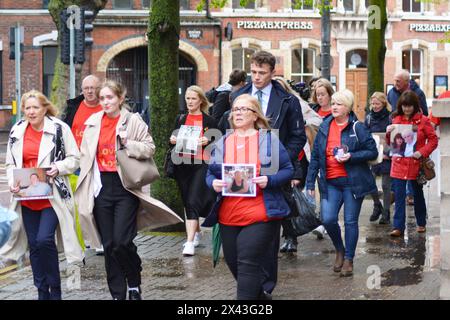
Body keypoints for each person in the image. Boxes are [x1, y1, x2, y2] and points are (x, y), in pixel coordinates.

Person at [75, 80, 182, 300]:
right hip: (101, 187)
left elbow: (150, 147)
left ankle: (134, 279)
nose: (105, 102)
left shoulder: (133, 120)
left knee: (122, 242)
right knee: (109, 244)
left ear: (120, 98)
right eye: (102, 98)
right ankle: (118, 294)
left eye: (110, 97)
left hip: (125, 186)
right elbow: (85, 156)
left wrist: (128, 144)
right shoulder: (93, 122)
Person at [229, 50, 306, 296]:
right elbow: (225, 128)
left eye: (262, 73)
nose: (257, 77)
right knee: (241, 236)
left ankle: (265, 287)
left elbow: (298, 136)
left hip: (273, 173)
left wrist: (280, 157)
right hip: (240, 170)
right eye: (253, 72)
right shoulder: (238, 96)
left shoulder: (287, 100)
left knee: (270, 233)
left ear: (273, 73)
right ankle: (252, 284)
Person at [203, 94, 294, 299]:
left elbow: (288, 170)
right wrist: (213, 183)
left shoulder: (268, 140)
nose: (238, 113)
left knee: (247, 262)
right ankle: (262, 298)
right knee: (237, 265)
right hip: (229, 216)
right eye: (235, 109)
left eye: (244, 109)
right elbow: (210, 174)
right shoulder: (222, 142)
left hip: (261, 212)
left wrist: (269, 181)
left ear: (255, 115)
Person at [0, 90, 84, 300]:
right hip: (27, 198)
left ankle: (55, 291)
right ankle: (41, 292)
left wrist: (59, 166)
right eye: (27, 108)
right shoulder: (17, 130)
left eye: (35, 107)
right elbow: (10, 163)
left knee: (45, 240)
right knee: (35, 245)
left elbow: (75, 158)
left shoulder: (58, 128)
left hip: (52, 196)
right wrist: (12, 181)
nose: (31, 111)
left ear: (45, 108)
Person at [306, 89, 378, 277]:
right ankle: (339, 249)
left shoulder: (357, 127)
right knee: (328, 219)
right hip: (330, 182)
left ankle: (348, 259)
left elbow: (372, 152)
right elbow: (315, 156)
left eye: (339, 104)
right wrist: (309, 183)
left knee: (350, 221)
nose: (334, 107)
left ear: (348, 108)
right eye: (334, 103)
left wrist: (351, 156)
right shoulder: (325, 126)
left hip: (353, 183)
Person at [273, 76, 324, 252]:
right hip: (272, 156)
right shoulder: (265, 103)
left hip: (296, 154)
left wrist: (301, 125)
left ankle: (291, 236)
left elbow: (316, 120)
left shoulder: (295, 102)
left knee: (290, 199)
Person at [170, 85, 218, 256]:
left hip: (201, 163)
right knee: (186, 199)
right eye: (188, 98)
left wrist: (208, 140)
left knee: (192, 199)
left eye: (193, 98)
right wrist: (173, 139)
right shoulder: (181, 119)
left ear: (200, 101)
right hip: (182, 163)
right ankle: (196, 232)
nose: (190, 102)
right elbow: (173, 139)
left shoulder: (209, 121)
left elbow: (218, 140)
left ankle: (189, 242)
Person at [386, 91, 438, 237]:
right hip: (399, 163)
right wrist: (389, 131)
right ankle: (398, 227)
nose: (407, 109)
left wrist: (422, 152)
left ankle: (421, 222)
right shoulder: (396, 119)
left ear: (415, 106)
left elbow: (433, 140)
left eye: (409, 106)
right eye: (404, 106)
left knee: (417, 194)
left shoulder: (423, 120)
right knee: (399, 195)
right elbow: (392, 141)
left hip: (416, 164)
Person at [61, 74, 104, 254]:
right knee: (79, 203)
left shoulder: (105, 107)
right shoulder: (74, 107)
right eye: (86, 88)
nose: (89, 91)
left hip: (97, 161)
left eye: (92, 88)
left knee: (97, 201)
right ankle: (87, 237)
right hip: (77, 161)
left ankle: (100, 238)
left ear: (99, 88)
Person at [365, 92, 392, 224]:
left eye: (377, 103)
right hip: (374, 155)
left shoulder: (390, 118)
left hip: (387, 155)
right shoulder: (369, 118)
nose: (375, 106)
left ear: (384, 104)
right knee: (370, 182)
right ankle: (377, 205)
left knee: (386, 185)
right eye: (373, 103)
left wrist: (390, 152)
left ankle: (386, 212)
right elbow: (365, 135)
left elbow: (396, 137)